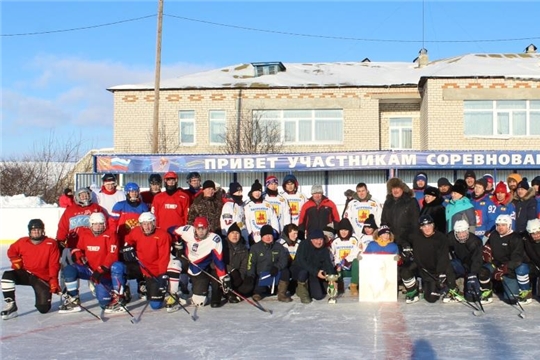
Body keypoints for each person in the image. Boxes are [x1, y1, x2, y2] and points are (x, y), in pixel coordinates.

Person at [61, 213, 127, 313]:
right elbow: (79, 248)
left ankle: (119, 294)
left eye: (100, 224)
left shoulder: (110, 235)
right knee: (69, 269)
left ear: (104, 224)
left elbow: (112, 255)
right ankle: (73, 299)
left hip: (104, 272)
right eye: (95, 224)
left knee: (104, 303)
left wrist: (101, 269)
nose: (98, 226)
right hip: (89, 269)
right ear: (91, 225)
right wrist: (78, 254)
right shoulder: (85, 234)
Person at [1, 219, 61, 320]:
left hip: (41, 278)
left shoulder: (51, 243)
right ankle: (11, 305)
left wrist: (53, 280)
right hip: (26, 273)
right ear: (29, 231)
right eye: (33, 230)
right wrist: (16, 261)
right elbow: (12, 250)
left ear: (43, 231)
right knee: (7, 276)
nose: (36, 232)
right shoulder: (22, 241)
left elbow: (54, 264)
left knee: (43, 309)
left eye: (38, 229)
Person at [123, 212, 182, 312]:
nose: (147, 227)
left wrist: (162, 276)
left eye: (150, 223)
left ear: (154, 223)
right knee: (120, 267)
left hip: (155, 270)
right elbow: (128, 239)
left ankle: (171, 291)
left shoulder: (163, 236)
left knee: (155, 305)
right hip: (142, 266)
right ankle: (124, 291)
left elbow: (164, 258)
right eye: (144, 224)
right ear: (140, 225)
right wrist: (127, 246)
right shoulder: (136, 231)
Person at [173, 216, 231, 308]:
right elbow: (171, 230)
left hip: (200, 269)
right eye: (198, 228)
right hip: (187, 261)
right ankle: (173, 294)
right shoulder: (187, 230)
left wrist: (223, 277)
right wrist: (177, 241)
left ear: (208, 228)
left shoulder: (214, 239)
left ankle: (198, 290)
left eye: (203, 228)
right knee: (174, 264)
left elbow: (218, 260)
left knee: (199, 303)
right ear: (194, 228)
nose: (200, 231)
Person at [400, 215, 452, 304]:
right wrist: (405, 246)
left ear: (433, 225)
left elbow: (444, 258)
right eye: (424, 226)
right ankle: (413, 291)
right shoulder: (416, 236)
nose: (427, 228)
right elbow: (401, 237)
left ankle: (430, 286)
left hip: (433, 272)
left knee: (431, 298)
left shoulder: (441, 238)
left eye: (429, 225)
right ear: (420, 228)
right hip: (420, 267)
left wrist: (440, 273)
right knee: (405, 271)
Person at [481, 214, 531, 305]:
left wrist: (505, 268)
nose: (500, 227)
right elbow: (486, 248)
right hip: (497, 263)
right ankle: (487, 292)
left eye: (503, 225)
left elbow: (517, 258)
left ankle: (526, 292)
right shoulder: (493, 235)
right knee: (483, 271)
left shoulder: (516, 238)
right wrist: (485, 251)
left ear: (509, 225)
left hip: (511, 266)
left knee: (511, 300)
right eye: (498, 225)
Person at [243, 225, 292, 302]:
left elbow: (284, 260)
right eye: (266, 235)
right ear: (262, 236)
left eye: (270, 235)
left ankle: (282, 294)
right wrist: (250, 276)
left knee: (285, 272)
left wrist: (277, 267)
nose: (268, 237)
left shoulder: (279, 247)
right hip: (262, 276)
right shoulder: (255, 248)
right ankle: (257, 292)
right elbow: (251, 263)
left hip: (274, 273)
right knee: (257, 290)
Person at [290, 229, 337, 304]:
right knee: (303, 272)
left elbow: (328, 263)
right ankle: (301, 290)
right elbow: (301, 261)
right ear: (311, 239)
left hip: (314, 272)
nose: (319, 242)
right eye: (316, 239)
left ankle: (309, 287)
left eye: (321, 239)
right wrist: (316, 272)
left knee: (319, 296)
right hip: (300, 270)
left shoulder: (324, 249)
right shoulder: (304, 244)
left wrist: (332, 277)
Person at [447, 220, 484, 303]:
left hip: (471, 266)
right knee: (449, 265)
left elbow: (477, 260)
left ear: (467, 231)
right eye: (459, 233)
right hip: (459, 264)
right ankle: (453, 288)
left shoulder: (475, 241)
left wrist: (473, 274)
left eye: (463, 232)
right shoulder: (450, 238)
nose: (462, 235)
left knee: (472, 297)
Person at [380, 177, 420, 252]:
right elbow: (383, 221)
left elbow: (415, 223)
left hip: (407, 241)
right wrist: (385, 235)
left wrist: (410, 240)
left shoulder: (411, 202)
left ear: (402, 188)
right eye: (393, 188)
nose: (395, 190)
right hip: (390, 241)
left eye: (397, 188)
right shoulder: (387, 203)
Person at [244, 179, 279, 245]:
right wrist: (250, 234)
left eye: (259, 191)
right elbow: (247, 221)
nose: (257, 193)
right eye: (255, 191)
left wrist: (275, 231)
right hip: (254, 238)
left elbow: (273, 219)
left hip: (268, 237)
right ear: (252, 192)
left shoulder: (267, 205)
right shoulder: (247, 205)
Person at [330, 218, 360, 294]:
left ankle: (354, 285)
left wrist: (345, 261)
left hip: (352, 267)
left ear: (349, 231)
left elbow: (357, 252)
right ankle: (339, 283)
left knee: (357, 262)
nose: (343, 232)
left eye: (346, 230)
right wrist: (337, 264)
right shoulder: (335, 241)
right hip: (340, 268)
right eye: (341, 230)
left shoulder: (354, 239)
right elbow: (333, 255)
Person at [222, 223, 250, 303]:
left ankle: (234, 293)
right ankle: (221, 294)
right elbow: (216, 262)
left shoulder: (244, 248)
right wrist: (231, 270)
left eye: (237, 233)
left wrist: (240, 278)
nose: (235, 235)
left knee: (248, 284)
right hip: (224, 273)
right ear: (228, 235)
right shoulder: (222, 245)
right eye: (232, 233)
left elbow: (244, 267)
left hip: (237, 276)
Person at [523, 219, 540, 294]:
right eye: (533, 234)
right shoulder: (525, 240)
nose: (536, 235)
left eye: (538, 233)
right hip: (534, 265)